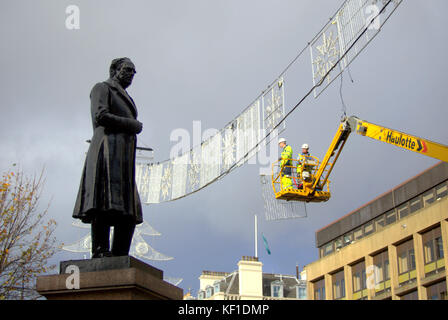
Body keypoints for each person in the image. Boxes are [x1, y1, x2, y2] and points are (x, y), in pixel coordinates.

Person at [73, 57, 144, 258]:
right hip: (106, 151)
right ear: (115, 70)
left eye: (133, 72)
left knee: (129, 210)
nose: (131, 74)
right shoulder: (102, 88)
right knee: (103, 202)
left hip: (123, 158)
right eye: (127, 70)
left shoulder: (126, 96)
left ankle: (120, 254)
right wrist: (132, 125)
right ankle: (100, 250)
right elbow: (100, 116)